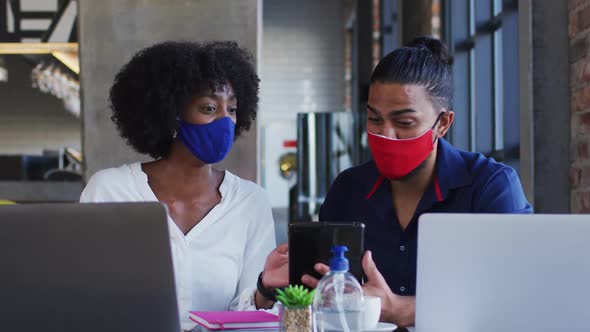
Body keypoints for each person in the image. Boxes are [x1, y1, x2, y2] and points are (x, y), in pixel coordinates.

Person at [302, 36, 532, 328]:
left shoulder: (491, 187)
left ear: (443, 123)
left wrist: (401, 309)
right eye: (374, 119)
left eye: (404, 123)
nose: (387, 134)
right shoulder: (348, 190)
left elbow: (519, 297)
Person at [79, 41, 287, 330]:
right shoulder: (110, 191)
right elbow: (84, 298)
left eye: (233, 109)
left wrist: (265, 290)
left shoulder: (250, 202)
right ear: (172, 112)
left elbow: (250, 315)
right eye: (209, 107)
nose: (224, 121)